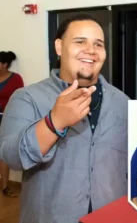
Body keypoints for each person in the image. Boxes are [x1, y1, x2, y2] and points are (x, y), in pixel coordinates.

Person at [0, 14, 129, 223]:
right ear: (59, 47)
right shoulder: (27, 98)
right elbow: (12, 158)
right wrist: (54, 122)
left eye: (98, 44)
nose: (91, 50)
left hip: (111, 216)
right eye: (80, 42)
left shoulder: (122, 102)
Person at [0, 51, 24, 197]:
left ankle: (4, 186)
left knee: (3, 153)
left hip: (6, 118)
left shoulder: (15, 79)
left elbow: (19, 99)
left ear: (4, 65)